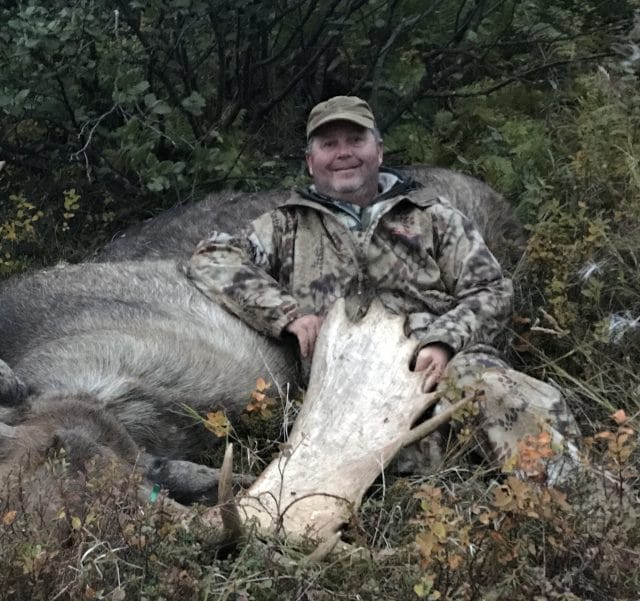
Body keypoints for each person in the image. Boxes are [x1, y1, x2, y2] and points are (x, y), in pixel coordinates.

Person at [186, 95, 581, 483]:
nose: (344, 153)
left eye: (356, 140)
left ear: (378, 150)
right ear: (311, 162)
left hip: (441, 372)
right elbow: (212, 257)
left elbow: (491, 289)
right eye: (329, 144)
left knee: (493, 389)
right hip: (345, 395)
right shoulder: (285, 226)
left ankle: (566, 505)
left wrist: (444, 340)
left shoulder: (433, 217)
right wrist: (286, 314)